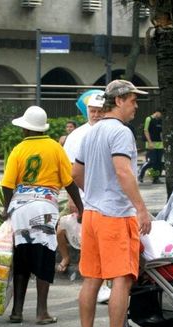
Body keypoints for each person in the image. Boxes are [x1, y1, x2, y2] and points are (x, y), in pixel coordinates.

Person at [72, 79, 152, 327]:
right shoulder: (120, 132)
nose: (136, 106)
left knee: (92, 279)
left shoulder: (91, 132)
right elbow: (123, 172)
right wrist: (141, 209)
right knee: (122, 279)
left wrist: (94, 192)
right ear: (118, 101)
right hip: (115, 216)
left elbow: (76, 174)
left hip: (92, 214)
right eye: (132, 100)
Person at [1, 105, 83, 325]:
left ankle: (17, 311)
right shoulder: (55, 148)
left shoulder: (18, 149)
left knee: (22, 257)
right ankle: (41, 312)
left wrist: (5, 208)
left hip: (20, 208)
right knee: (44, 256)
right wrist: (81, 208)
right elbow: (69, 182)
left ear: (27, 130)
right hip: (45, 208)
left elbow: (8, 185)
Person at [57, 92, 111, 303]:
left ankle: (103, 284)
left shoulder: (112, 131)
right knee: (90, 244)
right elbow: (71, 171)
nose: (96, 115)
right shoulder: (76, 136)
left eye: (100, 111)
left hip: (106, 198)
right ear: (86, 111)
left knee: (102, 242)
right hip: (84, 198)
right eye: (92, 111)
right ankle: (96, 285)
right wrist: (73, 200)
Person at [138, 109, 163, 184]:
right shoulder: (149, 119)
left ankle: (156, 178)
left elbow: (161, 132)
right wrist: (150, 142)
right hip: (151, 144)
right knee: (151, 161)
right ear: (157, 112)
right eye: (161, 114)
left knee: (158, 163)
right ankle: (140, 175)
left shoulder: (160, 120)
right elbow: (146, 131)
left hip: (160, 144)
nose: (161, 116)